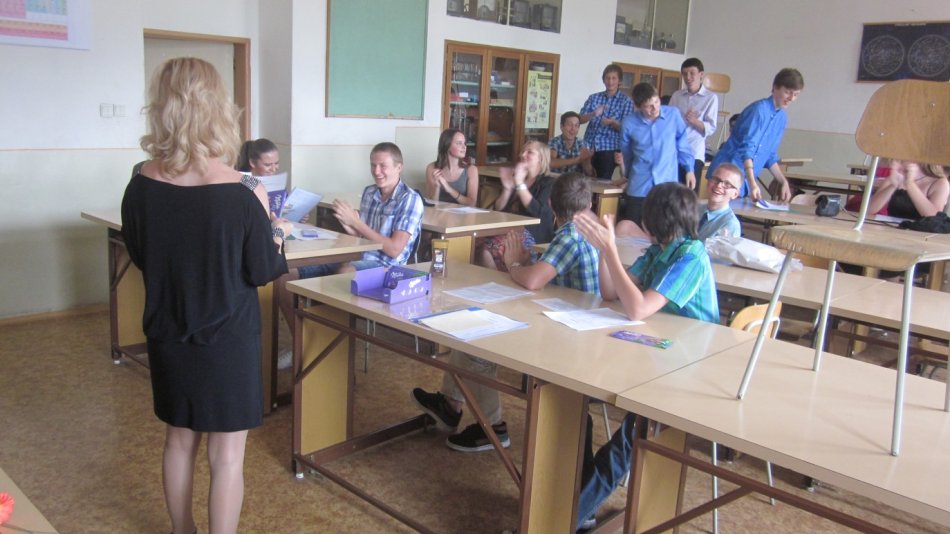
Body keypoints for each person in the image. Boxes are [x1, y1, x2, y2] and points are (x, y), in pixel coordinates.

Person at [121, 57, 291, 534]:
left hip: (168, 332)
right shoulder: (245, 190)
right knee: (227, 455)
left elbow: (141, 255)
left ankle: (182, 530)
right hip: (228, 339)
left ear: (162, 108)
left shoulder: (140, 182)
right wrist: (277, 235)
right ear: (219, 109)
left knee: (178, 440)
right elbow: (262, 270)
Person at [410, 173, 600, 453]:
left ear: (550, 203)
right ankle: (450, 406)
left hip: (566, 336)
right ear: (589, 204)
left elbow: (533, 281)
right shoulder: (583, 231)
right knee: (469, 332)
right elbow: (544, 275)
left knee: (478, 348)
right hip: (560, 320)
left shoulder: (570, 236)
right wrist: (525, 262)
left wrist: (513, 265)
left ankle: (492, 429)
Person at [573, 182, 718, 531]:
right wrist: (605, 251)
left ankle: (561, 519)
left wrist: (611, 248)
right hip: (656, 356)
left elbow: (637, 309)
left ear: (655, 221)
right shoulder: (659, 251)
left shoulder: (691, 256)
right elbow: (610, 292)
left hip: (689, 370)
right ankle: (578, 506)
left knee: (625, 444)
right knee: (575, 404)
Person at [277, 142, 424, 326]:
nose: (376, 171)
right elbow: (363, 238)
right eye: (373, 165)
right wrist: (350, 226)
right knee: (285, 273)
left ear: (399, 167)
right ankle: (302, 337)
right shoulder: (370, 192)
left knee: (344, 274)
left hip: (388, 267)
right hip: (358, 256)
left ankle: (332, 336)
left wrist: (356, 223)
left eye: (383, 166)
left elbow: (394, 250)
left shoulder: (410, 199)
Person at [707, 68, 804, 202]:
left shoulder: (782, 118)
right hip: (728, 173)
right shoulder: (759, 109)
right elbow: (747, 150)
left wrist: (783, 181)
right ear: (775, 88)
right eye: (788, 92)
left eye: (796, 95)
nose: (791, 99)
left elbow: (770, 155)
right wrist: (753, 184)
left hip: (746, 179)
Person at [617, 82, 694, 227]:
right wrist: (627, 174)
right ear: (638, 107)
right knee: (633, 229)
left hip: (667, 183)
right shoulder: (628, 123)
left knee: (664, 229)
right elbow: (627, 154)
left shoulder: (673, 115)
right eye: (648, 106)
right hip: (640, 184)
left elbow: (682, 144)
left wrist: (689, 169)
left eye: (657, 102)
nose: (655, 109)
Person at [475, 141, 556, 271]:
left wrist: (519, 183)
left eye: (529, 152)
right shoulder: (519, 178)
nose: (523, 155)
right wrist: (507, 189)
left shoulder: (548, 183)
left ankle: (500, 280)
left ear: (541, 159)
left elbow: (538, 211)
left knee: (487, 249)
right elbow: (499, 209)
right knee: (474, 243)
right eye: (523, 151)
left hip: (533, 235)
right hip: (508, 230)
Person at [669, 58, 718, 194]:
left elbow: (711, 128)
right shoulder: (677, 95)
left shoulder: (710, 98)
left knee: (688, 193)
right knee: (672, 193)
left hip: (694, 152)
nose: (688, 77)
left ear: (701, 74)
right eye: (685, 74)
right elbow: (669, 120)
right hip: (675, 151)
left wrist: (694, 121)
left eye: (692, 73)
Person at [580, 64, 635, 180]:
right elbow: (580, 119)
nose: (610, 81)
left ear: (619, 81)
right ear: (603, 80)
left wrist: (612, 122)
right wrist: (593, 114)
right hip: (588, 145)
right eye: (607, 78)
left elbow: (626, 129)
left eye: (614, 78)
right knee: (583, 180)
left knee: (601, 182)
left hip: (609, 148)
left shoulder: (626, 101)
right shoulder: (593, 98)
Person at [845, 160, 949, 219]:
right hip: (896, 232)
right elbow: (868, 210)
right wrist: (893, 185)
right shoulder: (897, 175)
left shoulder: (940, 182)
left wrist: (910, 184)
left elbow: (934, 218)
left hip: (922, 236)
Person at [425, 128, 479, 206]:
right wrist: (436, 187)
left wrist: (449, 189)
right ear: (447, 146)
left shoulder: (471, 170)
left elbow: (472, 203)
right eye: (459, 143)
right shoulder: (431, 168)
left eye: (464, 143)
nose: (464, 147)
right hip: (439, 213)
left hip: (462, 214)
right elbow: (431, 204)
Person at [698, 162, 743, 241]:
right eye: (716, 179)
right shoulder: (694, 209)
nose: (718, 185)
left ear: (735, 194)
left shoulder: (730, 225)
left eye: (727, 184)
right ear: (708, 182)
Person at [549, 111, 595, 176]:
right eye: (570, 125)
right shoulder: (554, 141)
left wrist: (587, 160)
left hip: (576, 180)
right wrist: (576, 160)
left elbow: (589, 173)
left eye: (576, 125)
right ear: (561, 127)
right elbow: (550, 162)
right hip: (557, 179)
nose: (573, 129)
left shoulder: (582, 143)